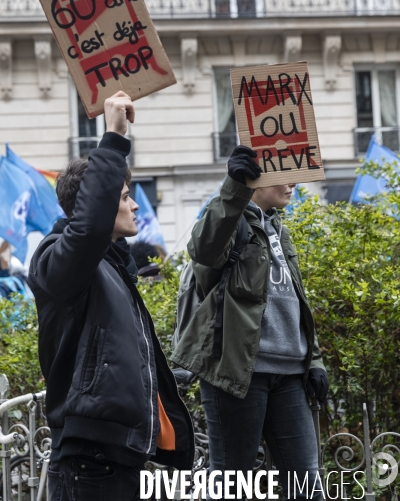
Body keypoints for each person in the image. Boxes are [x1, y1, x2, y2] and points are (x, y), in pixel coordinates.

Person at [29, 91, 193, 501]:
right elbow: (86, 233)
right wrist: (113, 139)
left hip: (118, 456)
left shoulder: (114, 269)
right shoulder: (57, 260)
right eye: (123, 197)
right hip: (90, 461)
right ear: (95, 206)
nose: (135, 206)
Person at [171, 145, 328, 500]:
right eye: (284, 174)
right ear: (257, 179)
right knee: (230, 485)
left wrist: (313, 359)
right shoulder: (231, 221)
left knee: (308, 487)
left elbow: (295, 301)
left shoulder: (278, 228)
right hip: (239, 373)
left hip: (290, 375)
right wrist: (233, 186)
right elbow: (205, 249)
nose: (293, 183)